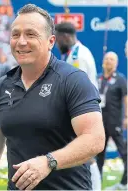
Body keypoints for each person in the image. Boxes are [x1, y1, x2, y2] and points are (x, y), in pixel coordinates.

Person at [0, 4, 105, 190]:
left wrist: (48, 162)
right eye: (15, 34)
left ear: (51, 41)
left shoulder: (73, 80)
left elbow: (94, 139)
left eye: (31, 34)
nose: (21, 41)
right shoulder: (3, 85)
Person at [55, 22, 101, 190]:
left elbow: (76, 88)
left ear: (65, 36)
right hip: (82, 111)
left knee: (87, 156)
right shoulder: (76, 53)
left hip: (83, 111)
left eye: (58, 38)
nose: (57, 43)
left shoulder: (77, 57)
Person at [96, 51, 127, 190]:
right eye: (107, 59)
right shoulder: (98, 78)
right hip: (99, 123)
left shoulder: (120, 79)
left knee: (124, 152)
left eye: (112, 59)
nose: (109, 61)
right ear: (103, 61)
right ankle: (96, 182)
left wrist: (126, 117)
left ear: (116, 63)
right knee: (99, 154)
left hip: (115, 122)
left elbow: (126, 98)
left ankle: (124, 181)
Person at [55, 22, 98, 88]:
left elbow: (79, 85)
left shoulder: (77, 57)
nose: (57, 45)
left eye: (57, 40)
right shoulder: (78, 52)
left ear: (66, 37)